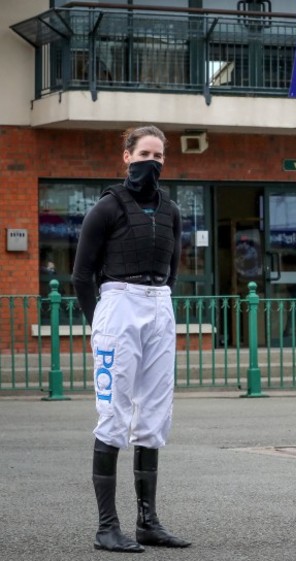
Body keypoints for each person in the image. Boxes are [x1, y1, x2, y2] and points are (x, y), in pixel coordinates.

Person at [72, 125, 190, 552]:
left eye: (158, 156)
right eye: (144, 153)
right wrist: (99, 321)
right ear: (126, 156)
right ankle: (107, 526)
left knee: (155, 415)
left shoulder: (172, 211)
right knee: (114, 413)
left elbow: (174, 270)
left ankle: (148, 523)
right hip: (118, 304)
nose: (152, 162)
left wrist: (158, 298)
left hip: (158, 303)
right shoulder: (106, 208)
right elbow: (81, 275)